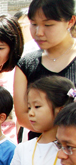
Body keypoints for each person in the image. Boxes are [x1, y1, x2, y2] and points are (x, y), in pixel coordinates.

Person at [13, 0, 76, 138]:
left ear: (70, 21)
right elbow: (23, 115)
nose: (38, 32)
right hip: (40, 148)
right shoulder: (26, 64)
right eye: (34, 24)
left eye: (48, 25)